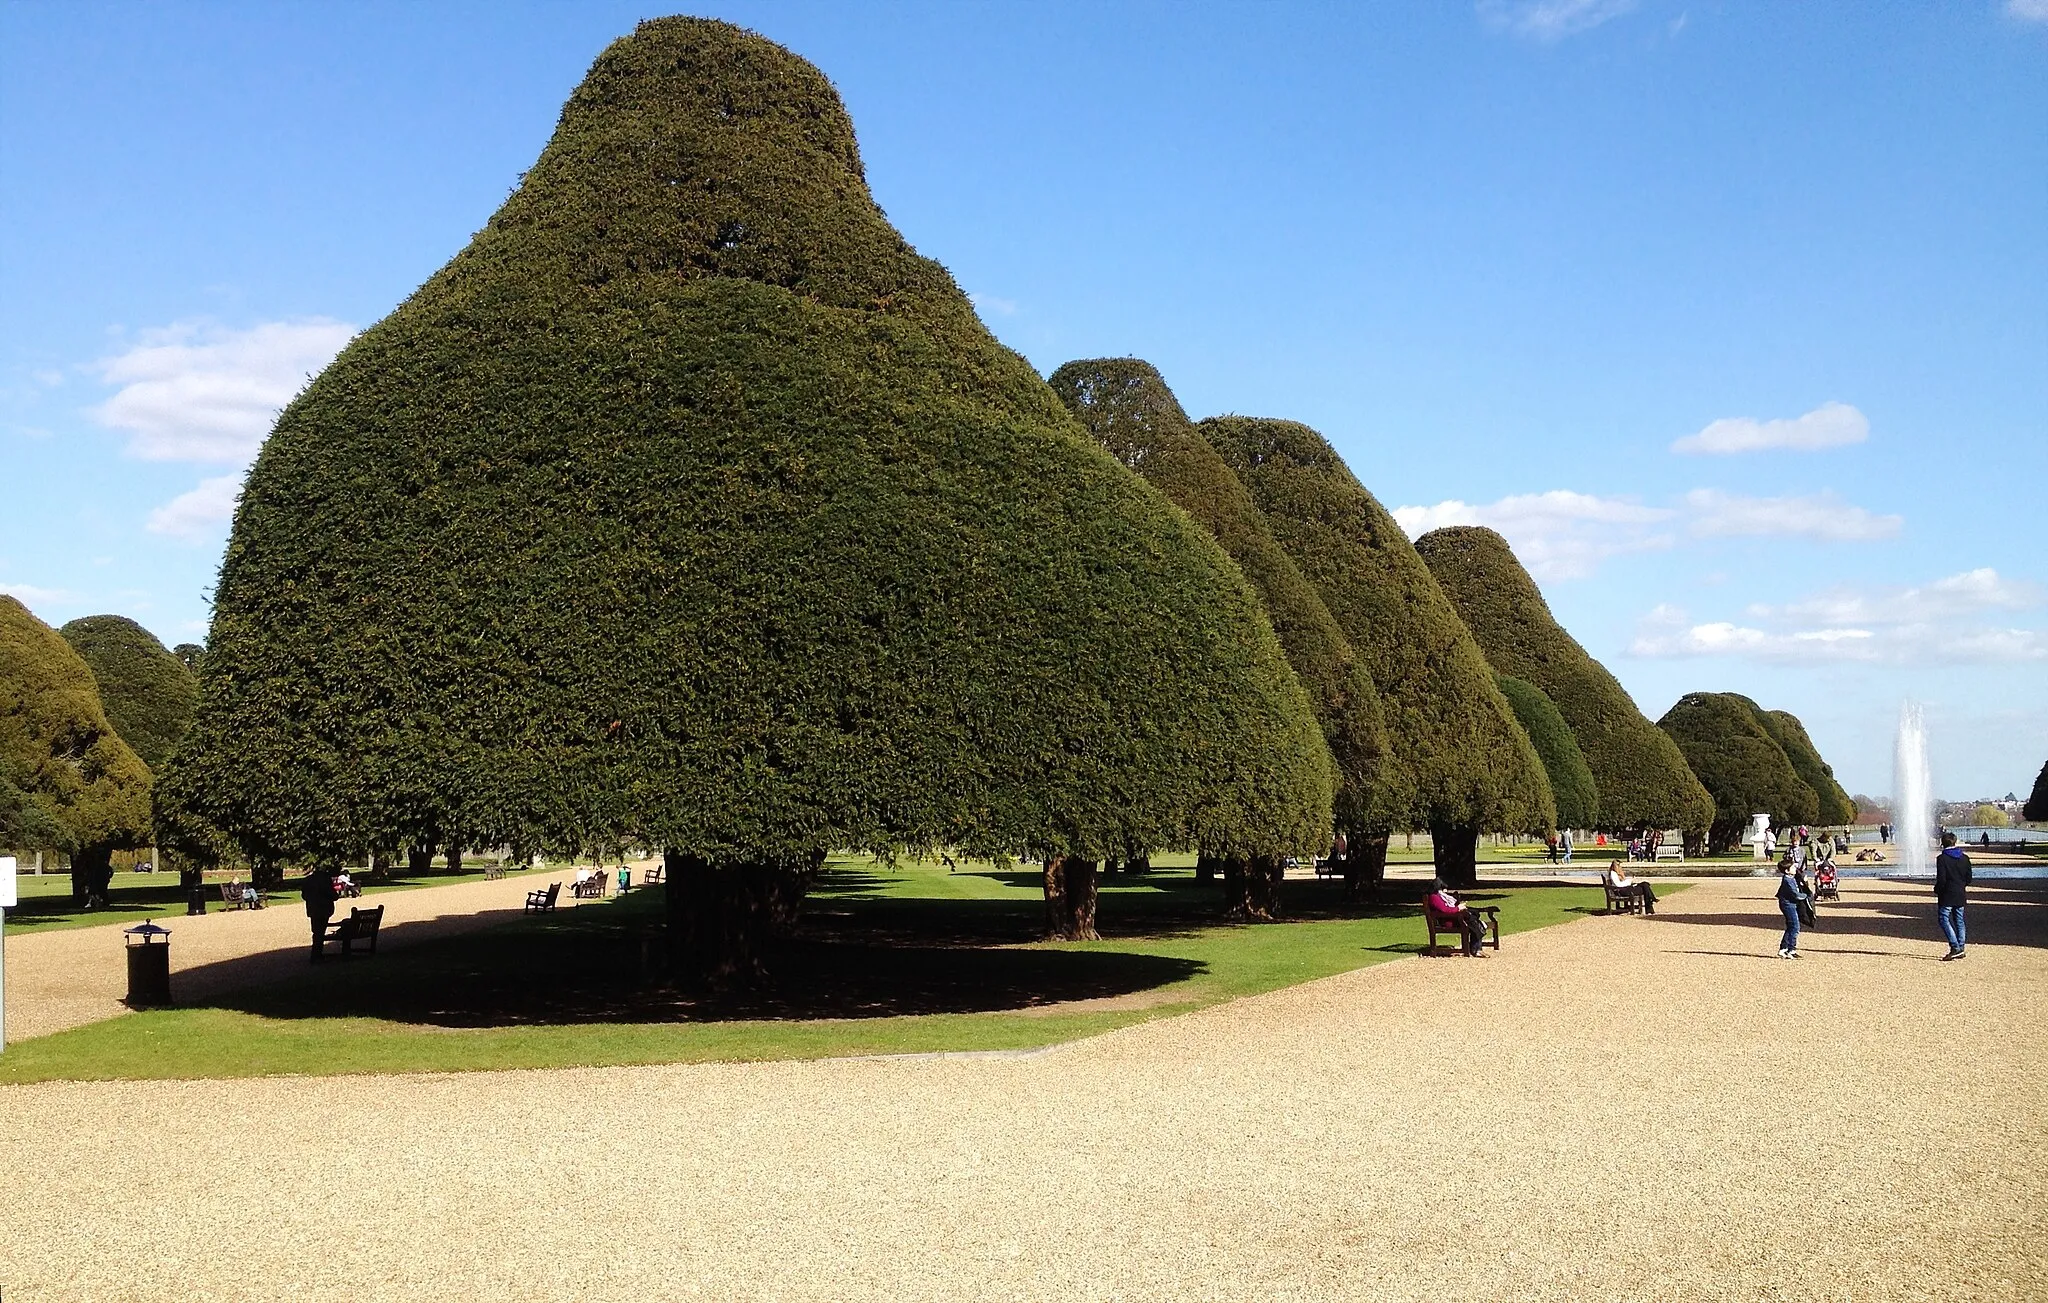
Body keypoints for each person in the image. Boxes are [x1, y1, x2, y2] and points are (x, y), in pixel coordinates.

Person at [1935, 831, 1973, 960]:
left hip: (1947, 893)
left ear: (1943, 843)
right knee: (1959, 920)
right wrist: (1961, 886)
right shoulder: (1964, 857)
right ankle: (1961, 946)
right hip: (1960, 892)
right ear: (1955, 842)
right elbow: (1969, 878)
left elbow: (1942, 879)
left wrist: (1937, 890)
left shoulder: (1942, 858)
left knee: (1943, 919)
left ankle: (1955, 946)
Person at [1427, 878, 1488, 957]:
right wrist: (1458, 908)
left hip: (1453, 918)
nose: (1445, 891)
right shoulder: (1434, 897)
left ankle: (1476, 948)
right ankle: (1476, 949)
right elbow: (1445, 910)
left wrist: (1460, 908)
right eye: (1444, 888)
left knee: (1474, 921)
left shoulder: (1439, 896)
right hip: (1448, 921)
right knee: (1474, 923)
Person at [300, 866, 337, 964]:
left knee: (316, 932)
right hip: (324, 909)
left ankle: (316, 954)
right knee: (320, 932)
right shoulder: (325, 879)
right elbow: (333, 895)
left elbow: (304, 896)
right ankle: (317, 955)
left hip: (313, 909)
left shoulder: (308, 880)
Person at [1775, 857, 1809, 958]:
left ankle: (1783, 949)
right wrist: (1807, 896)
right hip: (1788, 905)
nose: (1795, 868)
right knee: (1795, 927)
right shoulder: (1787, 880)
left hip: (1791, 904)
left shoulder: (1791, 878)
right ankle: (1791, 950)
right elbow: (1796, 894)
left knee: (1791, 927)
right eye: (1793, 867)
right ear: (1787, 870)